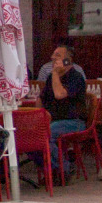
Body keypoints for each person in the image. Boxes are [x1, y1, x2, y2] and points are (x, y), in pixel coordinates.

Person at [36, 45, 89, 179]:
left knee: (46, 134)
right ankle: (53, 169)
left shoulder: (76, 77)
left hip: (74, 121)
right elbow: (41, 99)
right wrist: (38, 116)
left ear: (67, 60)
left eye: (57, 55)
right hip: (53, 121)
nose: (52, 58)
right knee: (31, 136)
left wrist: (55, 73)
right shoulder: (50, 78)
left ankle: (63, 169)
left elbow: (59, 94)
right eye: (53, 55)